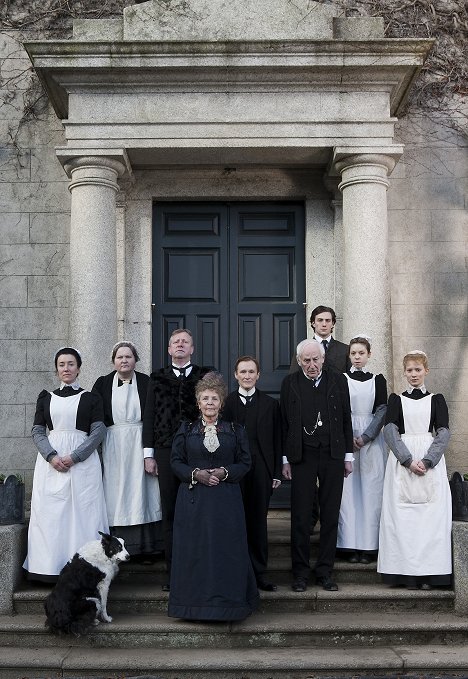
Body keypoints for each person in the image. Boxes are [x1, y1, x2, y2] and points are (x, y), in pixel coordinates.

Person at [168, 372, 259, 621]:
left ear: (221, 403)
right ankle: (192, 606)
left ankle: (229, 606)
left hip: (226, 502)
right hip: (194, 502)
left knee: (225, 551)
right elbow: (176, 462)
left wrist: (225, 472)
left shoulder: (235, 430)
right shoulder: (186, 431)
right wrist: (196, 474)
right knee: (195, 551)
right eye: (205, 398)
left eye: (214, 399)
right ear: (198, 402)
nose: (210, 403)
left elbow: (245, 463)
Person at [24, 347, 108, 582]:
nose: (66, 368)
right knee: (52, 515)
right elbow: (38, 431)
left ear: (79, 368)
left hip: (82, 464)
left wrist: (76, 456)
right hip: (51, 465)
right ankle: (48, 567)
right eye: (62, 364)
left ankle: (86, 568)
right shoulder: (46, 398)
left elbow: (98, 430)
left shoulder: (91, 398)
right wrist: (51, 456)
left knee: (83, 514)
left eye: (71, 364)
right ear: (57, 369)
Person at [142, 329, 213, 590]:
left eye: (185, 342)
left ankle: (200, 570)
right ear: (169, 350)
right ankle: (173, 574)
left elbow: (215, 409)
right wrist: (148, 454)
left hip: (198, 450)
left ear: (192, 349)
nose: (180, 345)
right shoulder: (157, 378)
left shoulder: (205, 375)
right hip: (165, 450)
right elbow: (149, 416)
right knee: (170, 511)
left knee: (199, 510)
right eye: (175, 342)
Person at [281, 339, 353, 592]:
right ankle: (300, 573)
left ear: (323, 359)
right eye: (306, 360)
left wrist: (348, 456)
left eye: (315, 360)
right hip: (302, 456)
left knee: (330, 515)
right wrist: (285, 459)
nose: (311, 365)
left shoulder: (338, 380)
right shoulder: (290, 383)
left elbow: (346, 417)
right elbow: (284, 424)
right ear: (299, 361)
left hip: (333, 454)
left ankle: (325, 571)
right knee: (300, 516)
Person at [378, 350, 451, 590]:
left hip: (429, 461)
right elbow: (390, 430)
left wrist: (429, 461)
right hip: (403, 462)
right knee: (403, 519)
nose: (413, 374)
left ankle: (431, 574)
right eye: (409, 370)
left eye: (418, 370)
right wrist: (407, 460)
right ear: (404, 372)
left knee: (430, 519)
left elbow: (443, 432)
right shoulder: (396, 399)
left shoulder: (436, 400)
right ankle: (406, 574)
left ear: (426, 371)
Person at [92, 341, 162, 559]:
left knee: (142, 493)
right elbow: (94, 417)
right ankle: (116, 548)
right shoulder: (102, 384)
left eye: (128, 357)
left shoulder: (147, 382)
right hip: (113, 445)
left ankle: (147, 548)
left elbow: (154, 418)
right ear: (113, 361)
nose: (124, 360)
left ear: (135, 360)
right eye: (120, 357)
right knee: (116, 493)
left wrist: (150, 453)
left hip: (140, 442)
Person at [223, 356, 282, 591]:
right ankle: (237, 574)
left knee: (258, 522)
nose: (247, 376)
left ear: (258, 375)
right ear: (235, 375)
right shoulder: (226, 404)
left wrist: (276, 471)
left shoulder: (270, 404)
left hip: (261, 471)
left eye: (251, 372)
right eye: (243, 372)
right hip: (234, 472)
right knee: (235, 522)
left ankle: (259, 573)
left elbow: (277, 440)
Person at [337, 335, 388, 563]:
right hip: (347, 436)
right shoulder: (341, 379)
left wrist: (366, 436)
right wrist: (349, 439)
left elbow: (382, 410)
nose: (357, 357)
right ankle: (348, 544)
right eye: (353, 353)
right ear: (349, 356)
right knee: (348, 493)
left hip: (371, 438)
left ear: (369, 355)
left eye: (361, 353)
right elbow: (337, 410)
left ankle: (369, 547)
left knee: (370, 489)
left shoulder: (378, 380)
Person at [290, 305, 350, 374]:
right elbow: (293, 378)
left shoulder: (345, 349)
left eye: (328, 321)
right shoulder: (302, 348)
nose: (324, 324)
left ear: (333, 324)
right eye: (320, 320)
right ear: (313, 323)